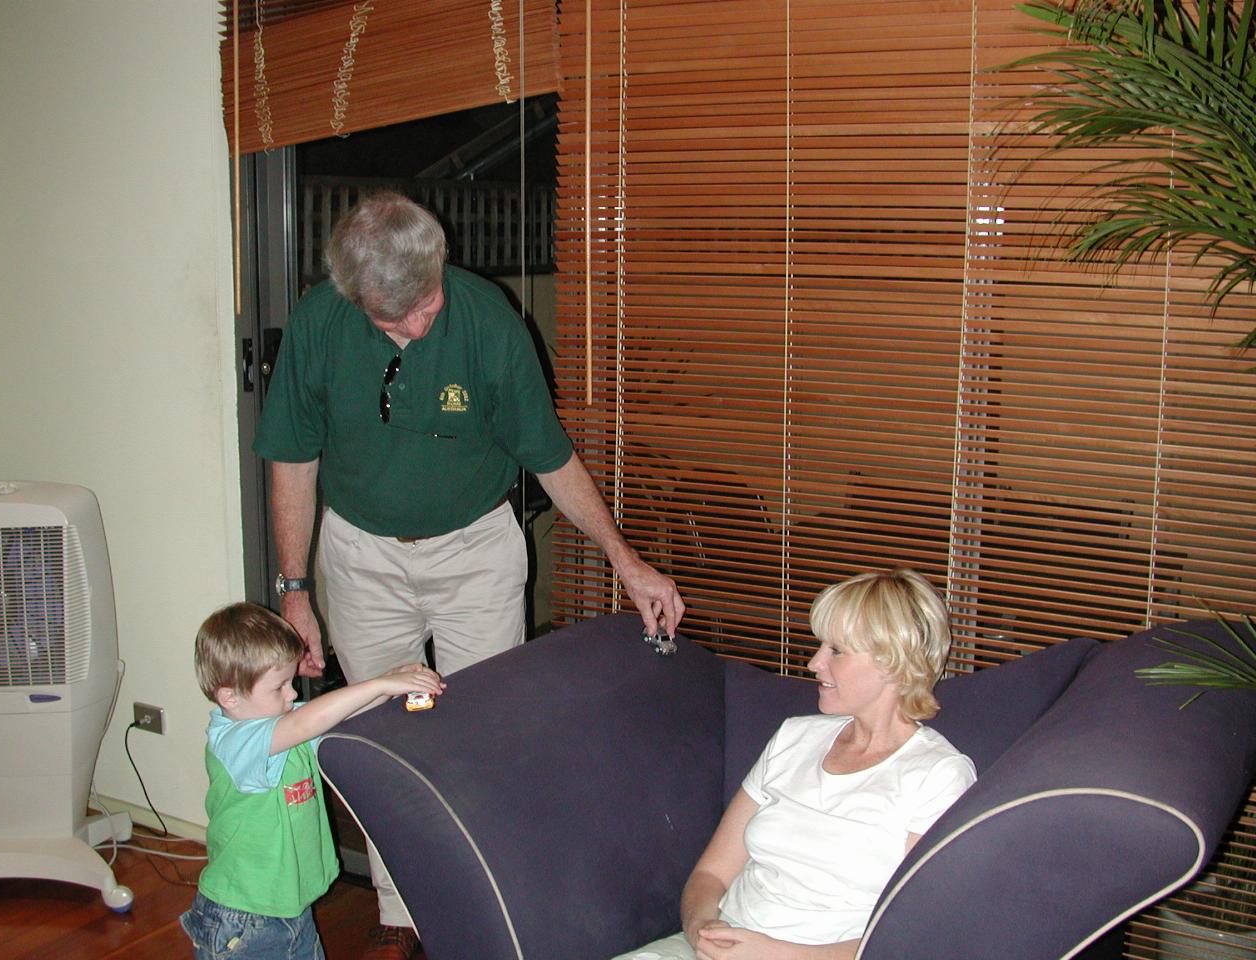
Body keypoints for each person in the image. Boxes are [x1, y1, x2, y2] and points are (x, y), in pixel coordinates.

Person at [253, 190, 685, 957]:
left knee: (488, 732)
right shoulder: (320, 326)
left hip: (475, 552)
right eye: (396, 321)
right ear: (354, 300)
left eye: (426, 304)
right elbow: (293, 459)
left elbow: (549, 457)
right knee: (385, 733)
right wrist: (294, 591)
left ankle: (491, 906)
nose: (420, 326)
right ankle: (400, 916)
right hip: (361, 554)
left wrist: (627, 559)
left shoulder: (487, 320)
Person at [614, 568, 976, 960]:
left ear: (893, 661)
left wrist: (777, 953)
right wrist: (701, 926)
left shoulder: (938, 776)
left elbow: (917, 937)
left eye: (836, 650)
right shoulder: (794, 738)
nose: (814, 663)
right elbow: (711, 874)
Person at [179, 602, 445, 960]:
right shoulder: (235, 742)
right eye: (279, 687)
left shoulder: (282, 719)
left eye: (291, 682)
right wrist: (378, 683)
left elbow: (334, 718)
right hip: (243, 918)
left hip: (289, 907)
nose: (292, 694)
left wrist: (389, 687)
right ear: (229, 696)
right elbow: (305, 724)